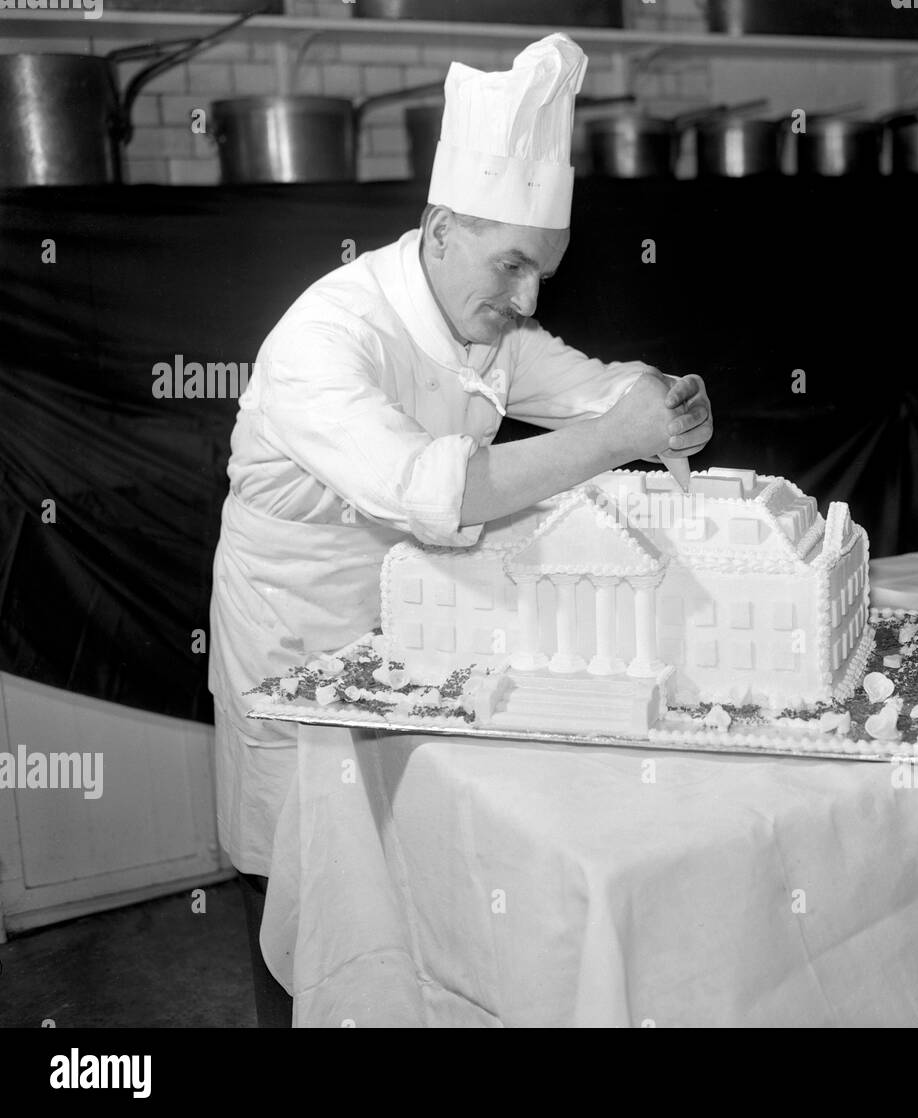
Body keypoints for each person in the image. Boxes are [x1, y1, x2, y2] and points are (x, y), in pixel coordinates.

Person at [208, 33, 713, 1026]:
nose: (527, 300)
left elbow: (600, 389)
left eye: (544, 275)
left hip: (419, 646)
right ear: (439, 228)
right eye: (512, 265)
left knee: (410, 898)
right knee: (299, 903)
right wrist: (618, 435)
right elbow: (437, 490)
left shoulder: (488, 325)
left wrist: (664, 403)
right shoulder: (326, 339)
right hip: (297, 639)